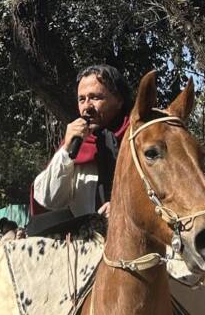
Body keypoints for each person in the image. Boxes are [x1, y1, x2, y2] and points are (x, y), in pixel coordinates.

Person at [32, 65, 132, 218]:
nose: (87, 106)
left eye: (95, 97)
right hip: (88, 238)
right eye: (82, 99)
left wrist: (126, 206)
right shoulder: (75, 147)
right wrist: (66, 150)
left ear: (119, 100)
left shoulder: (140, 138)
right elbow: (50, 199)